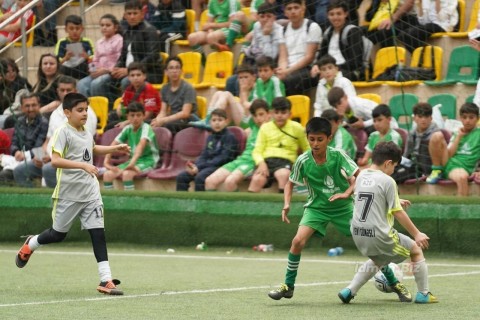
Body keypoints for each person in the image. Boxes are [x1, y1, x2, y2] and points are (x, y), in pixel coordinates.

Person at [14, 92, 130, 295]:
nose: (85, 113)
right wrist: (83, 166)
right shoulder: (62, 132)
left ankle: (105, 280)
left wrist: (114, 148)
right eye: (80, 110)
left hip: (90, 192)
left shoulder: (86, 131)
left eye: (86, 109)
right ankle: (30, 244)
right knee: (57, 235)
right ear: (67, 112)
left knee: (98, 233)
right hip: (68, 194)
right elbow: (56, 160)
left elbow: (92, 148)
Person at [267, 117, 359, 299]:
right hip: (316, 208)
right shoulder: (302, 160)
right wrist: (286, 204)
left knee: (368, 243)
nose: (315, 144)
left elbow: (359, 177)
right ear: (307, 138)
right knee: (297, 242)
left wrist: (347, 193)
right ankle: (288, 285)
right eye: (311, 139)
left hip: (344, 207)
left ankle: (392, 280)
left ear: (329, 138)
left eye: (320, 139)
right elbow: (289, 184)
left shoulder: (338, 155)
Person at [338, 141, 438, 304]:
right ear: (388, 163)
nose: (394, 170)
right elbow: (397, 213)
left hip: (358, 233)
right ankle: (423, 294)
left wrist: (396, 200)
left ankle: (349, 290)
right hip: (380, 235)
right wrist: (417, 233)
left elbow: (370, 197)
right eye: (394, 167)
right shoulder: (387, 180)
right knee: (415, 250)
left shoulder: (362, 174)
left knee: (378, 259)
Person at [13, 76, 97, 188]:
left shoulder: (86, 113)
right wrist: (40, 156)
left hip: (73, 163)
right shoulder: (55, 113)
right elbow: (47, 141)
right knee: (20, 170)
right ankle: (37, 201)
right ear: (57, 91)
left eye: (69, 90)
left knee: (48, 169)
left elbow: (83, 145)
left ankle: (58, 203)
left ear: (76, 91)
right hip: (50, 159)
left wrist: (54, 158)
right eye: (62, 90)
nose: (65, 93)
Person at [205, 99, 270, 191]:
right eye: (255, 115)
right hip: (240, 160)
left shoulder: (272, 130)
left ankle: (237, 205)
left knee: (230, 182)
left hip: (252, 164)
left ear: (269, 114)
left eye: (261, 114)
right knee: (209, 181)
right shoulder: (251, 130)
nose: (258, 118)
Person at [249, 97, 309, 193]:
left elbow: (307, 148)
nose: (279, 116)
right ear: (272, 113)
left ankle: (283, 206)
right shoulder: (265, 127)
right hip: (266, 161)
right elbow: (257, 151)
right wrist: (261, 163)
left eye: (283, 113)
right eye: (276, 113)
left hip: (285, 161)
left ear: (290, 114)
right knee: (257, 179)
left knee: (283, 174)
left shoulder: (297, 128)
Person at [176, 108, 238, 191]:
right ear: (210, 122)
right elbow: (204, 155)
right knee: (181, 177)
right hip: (207, 166)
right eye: (214, 120)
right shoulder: (211, 137)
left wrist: (200, 167)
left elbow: (222, 159)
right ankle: (182, 203)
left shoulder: (230, 137)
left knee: (200, 177)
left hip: (221, 167)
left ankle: (200, 203)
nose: (217, 123)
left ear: (226, 121)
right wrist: (195, 166)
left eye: (220, 120)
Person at [426, 102, 480, 196]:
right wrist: (458, 137)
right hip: (450, 164)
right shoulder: (457, 132)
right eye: (464, 117)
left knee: (462, 177)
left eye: (471, 117)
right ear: (460, 118)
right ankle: (437, 170)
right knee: (436, 135)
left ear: (477, 118)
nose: (467, 121)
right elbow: (449, 154)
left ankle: (461, 209)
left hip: (466, 167)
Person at [103, 102, 159, 191]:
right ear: (128, 117)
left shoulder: (146, 128)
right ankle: (112, 203)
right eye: (132, 115)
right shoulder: (127, 129)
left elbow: (140, 146)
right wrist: (106, 162)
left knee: (127, 174)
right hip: (133, 161)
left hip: (149, 161)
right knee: (107, 175)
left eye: (138, 115)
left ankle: (129, 203)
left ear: (144, 116)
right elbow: (113, 145)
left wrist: (132, 163)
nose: (135, 118)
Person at [110, 0, 163, 93]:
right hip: (129, 72)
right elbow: (123, 56)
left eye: (135, 13)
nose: (132, 16)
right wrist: (116, 68)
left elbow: (152, 57)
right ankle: (110, 106)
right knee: (98, 82)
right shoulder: (126, 31)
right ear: (125, 16)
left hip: (149, 73)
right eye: (129, 14)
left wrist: (130, 71)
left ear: (142, 14)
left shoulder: (150, 30)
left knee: (126, 81)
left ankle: (127, 106)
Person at [0, 93, 48, 185]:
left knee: (3, 176)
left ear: (39, 106)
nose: (30, 109)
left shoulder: (44, 123)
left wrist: (24, 155)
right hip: (16, 159)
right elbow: (14, 143)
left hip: (35, 160)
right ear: (22, 108)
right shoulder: (20, 121)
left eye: (33, 105)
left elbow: (39, 147)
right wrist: (16, 152)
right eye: (27, 106)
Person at [392, 102, 446, 183]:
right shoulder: (412, 133)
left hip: (430, 168)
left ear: (431, 118)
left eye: (426, 116)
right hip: (414, 167)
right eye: (420, 117)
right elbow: (407, 155)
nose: (423, 120)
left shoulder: (436, 135)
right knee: (393, 172)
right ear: (414, 118)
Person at [276, 0, 321, 96]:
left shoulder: (312, 27)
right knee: (271, 79)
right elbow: (283, 57)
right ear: (285, 12)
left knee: (290, 81)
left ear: (303, 9)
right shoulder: (282, 30)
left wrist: (287, 71)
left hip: (308, 69)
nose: (293, 11)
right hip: (289, 69)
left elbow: (309, 57)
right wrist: (282, 70)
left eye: (296, 7)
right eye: (289, 8)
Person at [191, 64, 256, 130]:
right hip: (240, 118)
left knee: (227, 94)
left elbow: (248, 112)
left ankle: (210, 120)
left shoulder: (257, 88)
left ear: (253, 77)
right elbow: (241, 108)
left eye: (246, 77)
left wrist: (244, 93)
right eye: (240, 78)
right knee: (218, 93)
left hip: (248, 123)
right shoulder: (243, 89)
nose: (243, 80)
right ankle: (208, 119)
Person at [313, 0, 365, 81]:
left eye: (339, 14)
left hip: (350, 71)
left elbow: (355, 62)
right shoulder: (328, 33)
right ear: (327, 15)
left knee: (334, 77)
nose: (335, 17)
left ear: (346, 14)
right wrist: (316, 65)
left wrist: (334, 69)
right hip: (329, 69)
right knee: (311, 76)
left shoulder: (353, 31)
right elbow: (321, 55)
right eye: (332, 14)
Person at [77, 14, 123, 103]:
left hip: (111, 73)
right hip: (98, 73)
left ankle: (102, 110)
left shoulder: (120, 40)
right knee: (81, 84)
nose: (104, 28)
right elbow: (95, 60)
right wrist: (93, 70)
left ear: (115, 27)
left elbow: (120, 60)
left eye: (108, 25)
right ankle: (88, 110)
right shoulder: (99, 42)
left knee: (96, 84)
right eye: (102, 25)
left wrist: (106, 70)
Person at [107, 62, 162, 130]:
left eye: (138, 75)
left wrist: (127, 122)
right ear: (128, 77)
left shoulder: (149, 89)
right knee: (111, 119)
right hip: (133, 118)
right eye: (132, 75)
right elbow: (121, 109)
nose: (135, 78)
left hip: (148, 120)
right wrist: (121, 111)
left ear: (144, 76)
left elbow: (148, 115)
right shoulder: (129, 89)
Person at [151, 57, 197, 134]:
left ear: (181, 71)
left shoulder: (188, 88)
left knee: (168, 125)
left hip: (188, 120)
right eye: (171, 68)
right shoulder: (165, 88)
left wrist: (163, 120)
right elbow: (163, 111)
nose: (174, 71)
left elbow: (185, 113)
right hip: (173, 119)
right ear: (166, 72)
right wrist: (157, 120)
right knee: (149, 124)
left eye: (177, 68)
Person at [327, 87, 399, 135]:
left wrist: (364, 124)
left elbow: (380, 118)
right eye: (335, 106)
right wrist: (340, 119)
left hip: (388, 126)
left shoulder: (359, 104)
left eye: (340, 103)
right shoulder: (338, 112)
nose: (338, 107)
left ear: (346, 97)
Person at [55, 15, 95, 80]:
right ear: (66, 29)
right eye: (71, 28)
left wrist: (87, 57)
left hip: (83, 68)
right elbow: (57, 61)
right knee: (60, 67)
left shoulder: (87, 42)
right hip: (68, 69)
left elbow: (94, 58)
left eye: (77, 28)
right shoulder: (62, 42)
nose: (74, 31)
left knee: (92, 65)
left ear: (82, 29)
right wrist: (66, 58)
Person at [0, 58, 32, 128]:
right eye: (7, 72)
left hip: (16, 114)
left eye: (13, 70)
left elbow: (17, 106)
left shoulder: (21, 83)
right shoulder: (2, 85)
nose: (11, 74)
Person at [32, 53, 63, 119]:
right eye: (45, 64)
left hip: (54, 114)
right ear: (41, 66)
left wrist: (38, 112)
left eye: (51, 64)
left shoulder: (61, 81)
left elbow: (59, 102)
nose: (48, 66)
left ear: (57, 66)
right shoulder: (40, 82)